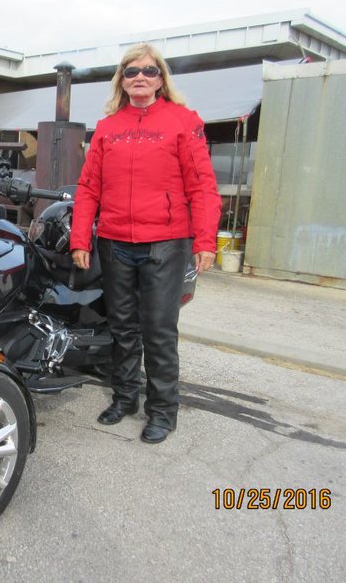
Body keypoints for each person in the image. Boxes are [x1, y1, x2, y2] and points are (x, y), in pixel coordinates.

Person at [69, 43, 222, 444]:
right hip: (115, 241)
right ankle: (124, 398)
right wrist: (80, 237)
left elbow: (203, 185)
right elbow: (88, 187)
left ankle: (162, 411)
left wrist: (206, 240)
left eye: (149, 71)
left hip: (166, 243)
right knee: (121, 327)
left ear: (161, 79)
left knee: (158, 330)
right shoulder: (107, 128)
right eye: (132, 70)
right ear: (121, 78)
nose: (140, 76)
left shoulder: (182, 121)